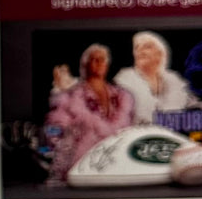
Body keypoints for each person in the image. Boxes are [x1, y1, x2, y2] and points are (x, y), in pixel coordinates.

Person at [45, 43, 134, 182]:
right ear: (85, 65)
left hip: (115, 166)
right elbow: (55, 131)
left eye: (102, 59)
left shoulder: (121, 97)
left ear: (107, 65)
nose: (99, 63)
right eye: (94, 59)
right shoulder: (70, 97)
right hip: (80, 167)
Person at [113, 30, 191, 124]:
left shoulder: (174, 80)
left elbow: (189, 105)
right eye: (137, 48)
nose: (140, 51)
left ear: (160, 54)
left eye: (147, 47)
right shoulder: (124, 79)